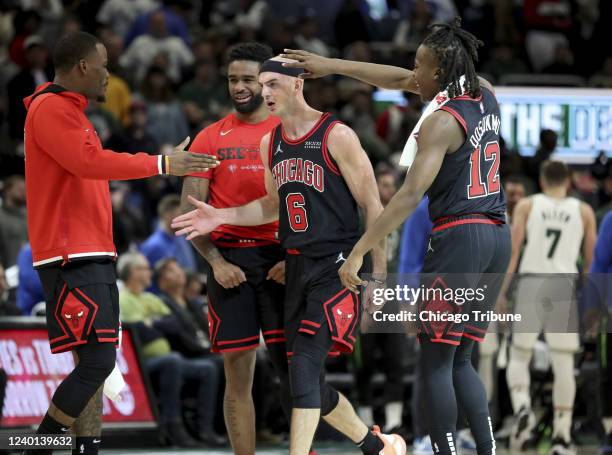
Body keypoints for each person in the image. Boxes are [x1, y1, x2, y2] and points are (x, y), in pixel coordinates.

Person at [281, 15, 511, 455]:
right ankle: (486, 449)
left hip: (460, 238)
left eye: (420, 67)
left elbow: (407, 198)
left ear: (440, 73)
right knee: (462, 360)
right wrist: (332, 64)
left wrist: (359, 252)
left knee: (435, 364)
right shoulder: (483, 91)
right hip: (496, 237)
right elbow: (397, 78)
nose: (412, 75)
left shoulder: (440, 123)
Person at [173, 56, 406, 455]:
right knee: (307, 381)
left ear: (298, 85)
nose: (265, 93)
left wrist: (377, 275)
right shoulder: (271, 143)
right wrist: (223, 214)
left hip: (338, 265)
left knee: (300, 367)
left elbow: (373, 206)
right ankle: (377, 446)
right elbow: (272, 205)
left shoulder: (338, 134)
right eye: (262, 85)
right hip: (296, 265)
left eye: (273, 84)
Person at [22, 31, 217, 455]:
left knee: (91, 366)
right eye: (105, 64)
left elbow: (88, 167)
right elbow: (88, 163)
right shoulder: (52, 108)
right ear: (83, 67)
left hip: (87, 252)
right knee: (96, 363)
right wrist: (162, 162)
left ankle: (84, 449)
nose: (110, 74)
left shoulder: (69, 111)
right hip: (72, 254)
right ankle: (34, 448)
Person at [179, 42, 293, 455]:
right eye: (233, 80)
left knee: (293, 372)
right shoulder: (208, 138)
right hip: (231, 264)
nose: (240, 87)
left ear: (267, 83)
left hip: (282, 260)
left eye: (248, 79)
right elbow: (188, 214)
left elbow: (311, 206)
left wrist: (291, 258)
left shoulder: (289, 132)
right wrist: (216, 262)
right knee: (237, 374)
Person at [502, 160, 597, 455]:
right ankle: (561, 436)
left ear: (541, 182)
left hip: (531, 282)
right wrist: (592, 304)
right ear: (568, 182)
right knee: (563, 363)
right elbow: (591, 264)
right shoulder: (583, 211)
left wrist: (501, 293)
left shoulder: (527, 206)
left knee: (518, 355)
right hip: (563, 286)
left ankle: (522, 408)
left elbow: (513, 252)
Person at [117, 253, 223, 447]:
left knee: (209, 367)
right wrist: (154, 324)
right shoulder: (123, 299)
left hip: (167, 359)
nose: (150, 272)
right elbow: (139, 333)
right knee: (172, 361)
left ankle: (205, 429)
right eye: (144, 268)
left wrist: (152, 323)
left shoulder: (149, 297)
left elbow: (175, 324)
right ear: (133, 272)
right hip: (141, 364)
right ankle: (172, 426)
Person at [140, 194, 197, 272]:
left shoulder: (181, 237)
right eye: (180, 215)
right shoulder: (154, 246)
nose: (185, 219)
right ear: (168, 216)